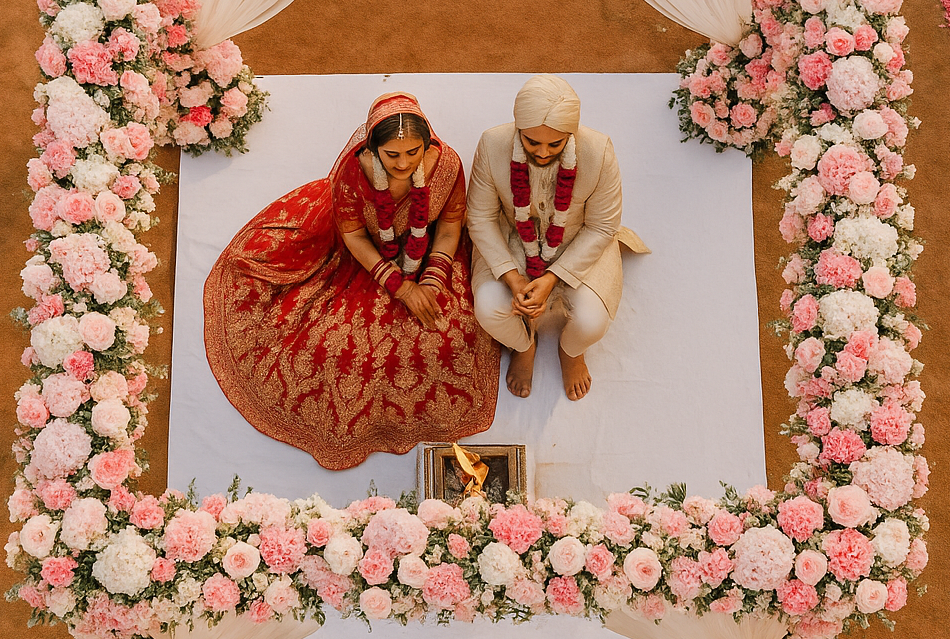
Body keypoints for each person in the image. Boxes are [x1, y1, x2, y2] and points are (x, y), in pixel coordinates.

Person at [204, 93, 499, 470]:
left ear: (428, 145)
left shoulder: (446, 166)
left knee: (450, 336)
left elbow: (450, 227)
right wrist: (400, 287)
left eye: (413, 152)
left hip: (428, 252)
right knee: (328, 346)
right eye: (392, 155)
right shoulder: (353, 172)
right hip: (357, 255)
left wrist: (431, 281)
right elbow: (356, 237)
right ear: (373, 149)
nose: (404, 164)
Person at [466, 75, 646, 401]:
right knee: (489, 309)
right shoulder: (492, 144)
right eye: (532, 142)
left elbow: (602, 226)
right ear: (518, 128)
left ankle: (571, 352)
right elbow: (480, 217)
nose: (543, 152)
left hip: (577, 241)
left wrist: (552, 279)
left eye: (555, 144)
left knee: (591, 322)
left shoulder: (598, 150)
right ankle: (524, 345)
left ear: (571, 134)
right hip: (512, 239)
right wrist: (512, 278)